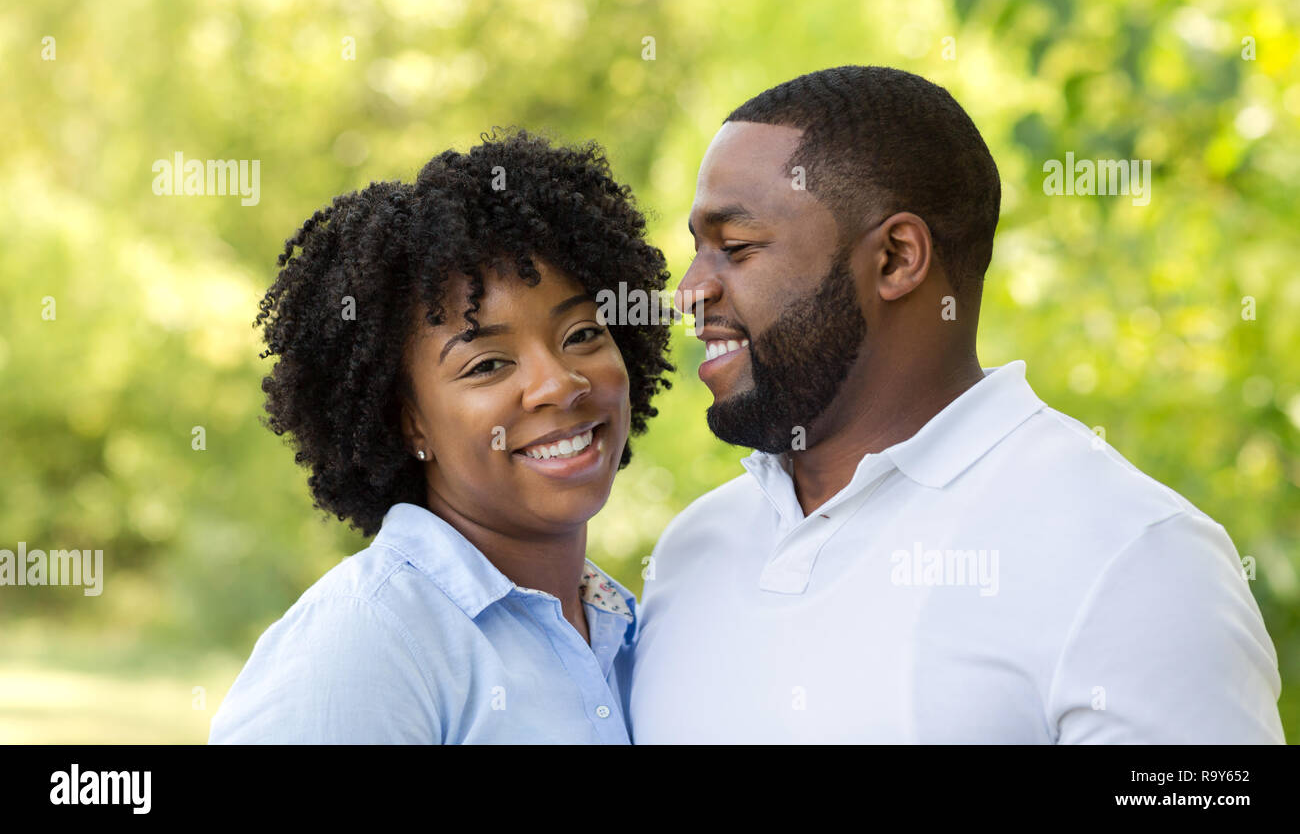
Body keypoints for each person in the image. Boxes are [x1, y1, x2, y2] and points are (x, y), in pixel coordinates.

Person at [628, 65, 1285, 743]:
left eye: (735, 249)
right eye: (696, 251)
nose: (689, 292)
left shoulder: (1136, 558)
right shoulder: (691, 553)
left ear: (895, 259)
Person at [209, 128, 673, 743]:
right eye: (487, 365)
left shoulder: (632, 633)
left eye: (582, 334)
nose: (558, 384)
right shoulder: (368, 641)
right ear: (408, 421)